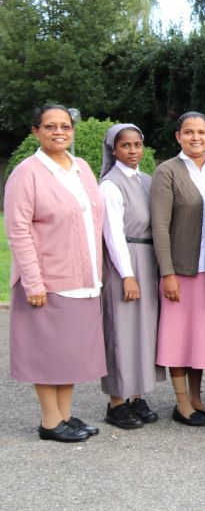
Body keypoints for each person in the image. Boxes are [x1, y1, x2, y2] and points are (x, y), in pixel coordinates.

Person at [5, 104, 106, 442]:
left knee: (70, 352)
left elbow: (93, 221)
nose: (59, 131)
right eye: (50, 126)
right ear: (36, 131)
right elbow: (17, 229)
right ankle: (50, 422)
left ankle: (65, 415)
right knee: (48, 352)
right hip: (47, 280)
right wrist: (33, 281)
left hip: (83, 279)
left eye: (65, 125)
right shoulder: (26, 172)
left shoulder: (81, 167)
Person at [150, 111, 205, 426]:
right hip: (181, 271)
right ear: (178, 137)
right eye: (189, 132)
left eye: (202, 132)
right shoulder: (166, 171)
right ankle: (182, 403)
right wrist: (167, 273)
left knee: (201, 339)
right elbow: (159, 226)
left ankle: (197, 399)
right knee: (178, 338)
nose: (196, 137)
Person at [98, 123, 163, 429]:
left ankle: (136, 395)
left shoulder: (147, 181)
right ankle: (116, 402)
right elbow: (112, 234)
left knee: (143, 330)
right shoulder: (110, 185)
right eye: (126, 146)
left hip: (148, 261)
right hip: (126, 262)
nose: (133, 151)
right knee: (121, 331)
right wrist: (127, 274)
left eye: (138, 145)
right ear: (114, 149)